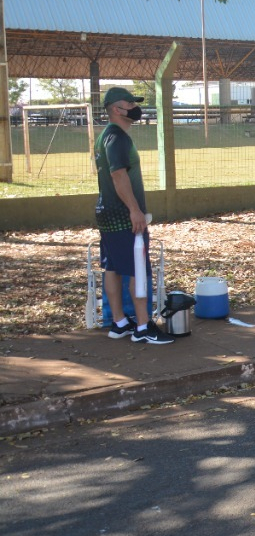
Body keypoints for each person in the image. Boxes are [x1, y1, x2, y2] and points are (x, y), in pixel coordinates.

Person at [94, 86, 173, 344]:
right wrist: (135, 210)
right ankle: (142, 327)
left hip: (107, 214)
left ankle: (119, 323)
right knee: (139, 269)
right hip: (122, 217)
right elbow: (118, 176)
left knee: (112, 267)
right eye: (130, 104)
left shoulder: (105, 135)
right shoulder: (118, 137)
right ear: (117, 109)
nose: (135, 108)